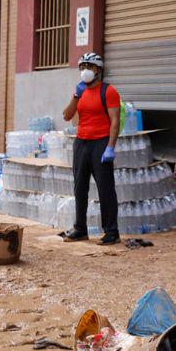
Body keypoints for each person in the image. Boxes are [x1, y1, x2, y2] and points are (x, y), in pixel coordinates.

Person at [61, 52, 121, 245]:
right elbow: (67, 115)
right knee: (79, 188)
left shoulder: (109, 91)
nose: (85, 71)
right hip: (81, 143)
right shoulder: (80, 91)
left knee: (105, 189)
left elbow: (115, 121)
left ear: (98, 70)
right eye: (82, 67)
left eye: (89, 67)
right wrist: (75, 96)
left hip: (101, 143)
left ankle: (112, 231)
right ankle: (80, 229)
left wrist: (110, 147)